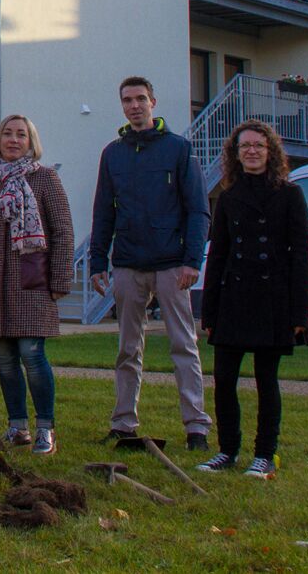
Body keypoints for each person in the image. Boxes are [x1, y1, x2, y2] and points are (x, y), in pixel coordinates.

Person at [89, 75, 213, 450]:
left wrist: (192, 260)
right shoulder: (113, 153)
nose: (134, 106)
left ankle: (196, 427)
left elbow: (198, 210)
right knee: (128, 348)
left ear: (153, 103)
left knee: (183, 345)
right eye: (127, 100)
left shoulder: (178, 149)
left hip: (172, 264)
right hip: (128, 263)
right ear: (122, 105)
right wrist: (98, 261)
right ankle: (123, 422)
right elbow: (102, 213)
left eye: (140, 99)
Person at [196, 119, 308, 478]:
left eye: (258, 146)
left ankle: (264, 454)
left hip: (273, 299)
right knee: (224, 379)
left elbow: (301, 256)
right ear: (235, 153)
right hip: (234, 298)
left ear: (270, 152)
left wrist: (300, 314)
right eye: (244, 146)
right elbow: (217, 256)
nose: (251, 151)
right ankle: (227, 450)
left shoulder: (291, 195)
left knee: (266, 380)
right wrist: (208, 308)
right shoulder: (229, 198)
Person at [0, 114, 74, 455]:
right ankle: (17, 426)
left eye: (21, 135)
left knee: (32, 355)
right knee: (5, 360)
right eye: (7, 134)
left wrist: (61, 277)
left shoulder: (46, 179)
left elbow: (63, 230)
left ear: (31, 142)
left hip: (33, 281)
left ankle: (45, 428)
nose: (13, 140)